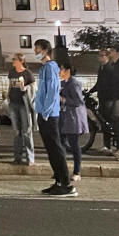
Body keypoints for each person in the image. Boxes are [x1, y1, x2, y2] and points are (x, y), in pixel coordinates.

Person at [33, 39, 75, 197]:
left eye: (37, 49)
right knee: (51, 149)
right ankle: (59, 181)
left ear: (45, 50)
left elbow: (52, 91)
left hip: (49, 115)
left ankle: (66, 183)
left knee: (55, 148)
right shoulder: (46, 68)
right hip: (45, 113)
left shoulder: (50, 67)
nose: (35, 52)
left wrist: (45, 112)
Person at [59, 59, 88, 184]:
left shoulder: (74, 83)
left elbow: (78, 101)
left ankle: (77, 171)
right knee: (61, 143)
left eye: (61, 69)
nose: (59, 71)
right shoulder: (64, 83)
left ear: (68, 71)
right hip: (65, 116)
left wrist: (63, 99)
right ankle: (61, 170)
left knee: (74, 145)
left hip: (73, 117)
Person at [7, 53, 35, 165]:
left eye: (14, 59)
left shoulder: (27, 73)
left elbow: (33, 88)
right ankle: (17, 157)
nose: (12, 61)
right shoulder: (12, 72)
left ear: (21, 61)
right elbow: (10, 85)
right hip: (13, 103)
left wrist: (25, 88)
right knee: (16, 131)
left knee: (26, 130)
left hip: (24, 104)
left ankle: (30, 157)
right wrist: (8, 95)